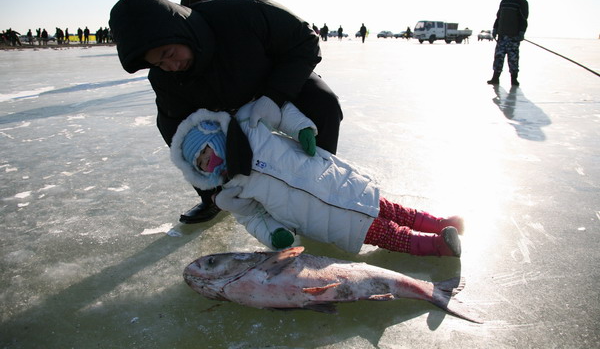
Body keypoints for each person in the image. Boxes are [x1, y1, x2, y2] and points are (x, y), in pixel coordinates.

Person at [109, 0, 343, 224]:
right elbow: (176, 130)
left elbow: (304, 41)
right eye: (159, 63)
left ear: (179, 30)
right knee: (183, 135)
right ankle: (213, 199)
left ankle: (319, 181)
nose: (172, 65)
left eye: (169, 53)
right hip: (220, 105)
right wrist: (214, 189)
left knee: (325, 104)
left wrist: (275, 96)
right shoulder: (165, 78)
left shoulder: (243, 12)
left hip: (272, 78)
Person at [170, 101, 464, 256]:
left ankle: (440, 224)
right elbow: (253, 217)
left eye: (205, 153)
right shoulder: (230, 191)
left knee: (392, 210)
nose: (207, 163)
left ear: (214, 135)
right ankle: (438, 247)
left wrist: (302, 129)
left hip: (336, 181)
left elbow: (282, 112)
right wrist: (273, 234)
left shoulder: (250, 124)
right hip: (319, 219)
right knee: (386, 234)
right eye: (201, 164)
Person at [487, 0, 529, 87]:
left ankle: (514, 79)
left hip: (513, 37)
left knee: (513, 59)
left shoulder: (521, 2)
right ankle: (495, 78)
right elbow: (498, 17)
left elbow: (524, 20)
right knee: (498, 58)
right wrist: (495, 29)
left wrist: (521, 32)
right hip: (502, 36)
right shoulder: (504, 2)